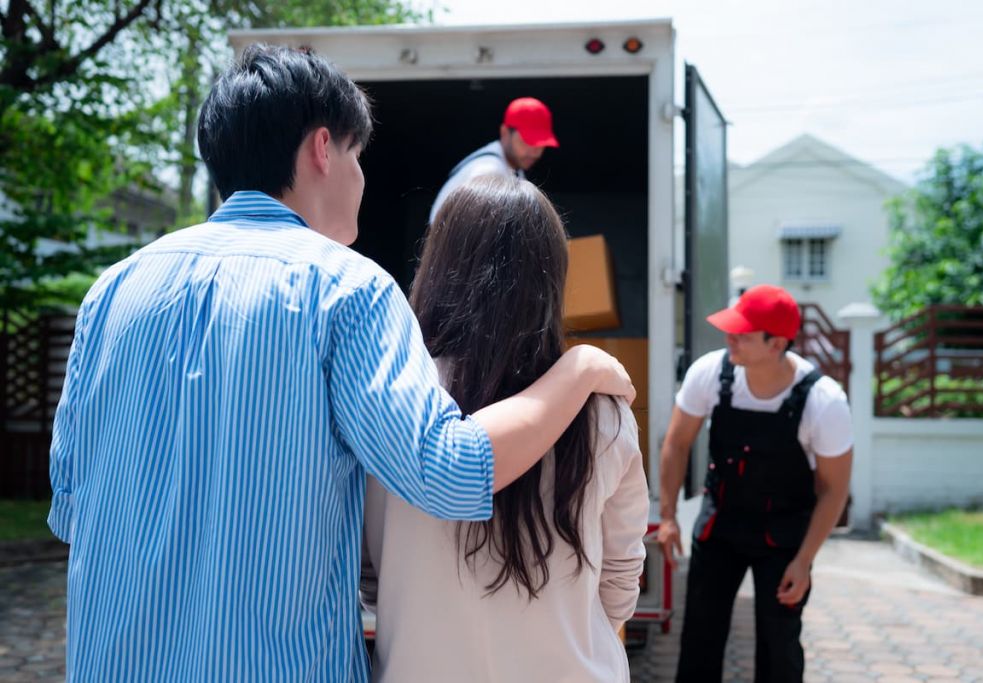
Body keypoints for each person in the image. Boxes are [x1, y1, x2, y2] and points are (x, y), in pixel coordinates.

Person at [46, 45, 634, 682]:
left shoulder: (113, 289)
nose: (361, 178)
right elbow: (452, 474)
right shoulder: (348, 289)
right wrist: (580, 373)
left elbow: (71, 507)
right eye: (358, 156)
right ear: (323, 149)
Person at [361, 175, 649, 683]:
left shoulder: (391, 397)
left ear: (437, 267)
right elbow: (621, 578)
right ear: (551, 280)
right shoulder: (602, 410)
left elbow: (367, 574)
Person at [656, 285, 853, 682]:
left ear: (776, 343)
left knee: (779, 649)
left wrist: (804, 561)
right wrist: (668, 516)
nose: (730, 339)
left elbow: (834, 490)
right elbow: (676, 444)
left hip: (783, 535)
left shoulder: (824, 400)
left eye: (742, 334)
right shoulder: (710, 373)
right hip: (720, 525)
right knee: (699, 640)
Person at [428, 96, 559, 223]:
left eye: (541, 143)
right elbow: (477, 234)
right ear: (505, 133)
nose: (534, 151)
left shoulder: (511, 167)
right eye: (527, 141)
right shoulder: (489, 170)